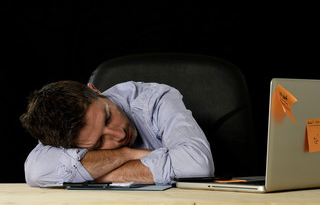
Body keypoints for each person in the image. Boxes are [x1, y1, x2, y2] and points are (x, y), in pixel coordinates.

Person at [20, 80, 214, 187]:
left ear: (95, 91)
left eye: (107, 117)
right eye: (99, 143)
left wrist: (91, 173)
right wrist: (126, 154)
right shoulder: (61, 133)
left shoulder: (156, 99)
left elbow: (196, 165)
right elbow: (36, 172)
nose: (118, 134)